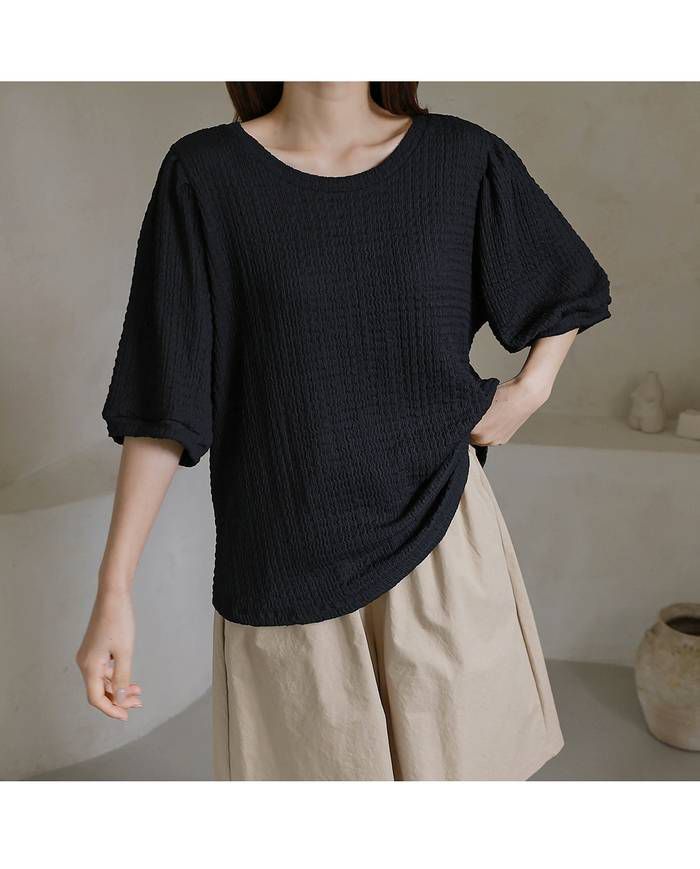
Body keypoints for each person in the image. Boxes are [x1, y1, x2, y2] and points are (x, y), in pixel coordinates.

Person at [76, 82, 611, 780]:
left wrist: (529, 392)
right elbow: (162, 404)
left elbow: (565, 283)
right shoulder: (204, 177)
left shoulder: (461, 159)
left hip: (440, 546)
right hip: (283, 568)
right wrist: (114, 591)